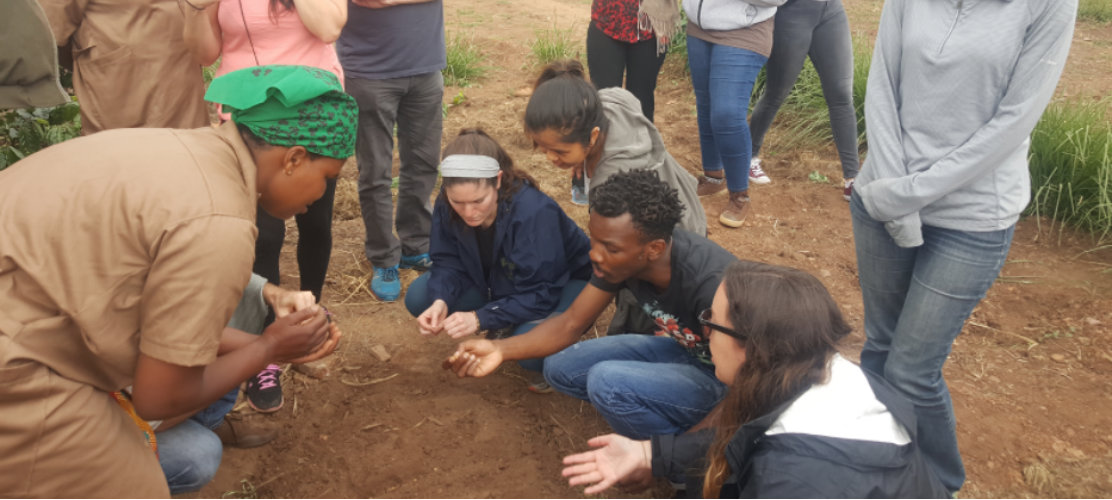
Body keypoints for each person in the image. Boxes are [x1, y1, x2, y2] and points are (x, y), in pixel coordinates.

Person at [0, 65, 352, 497]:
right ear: (294, 158)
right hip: (19, 361)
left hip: (28, 311)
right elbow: (159, 397)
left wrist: (283, 344)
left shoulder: (181, 147)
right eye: (328, 179)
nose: (321, 197)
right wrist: (269, 348)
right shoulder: (219, 222)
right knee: (137, 488)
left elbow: (152, 318)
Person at [851, 0, 1076, 494]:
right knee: (879, 346)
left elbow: (1014, 121)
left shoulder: (1050, 5)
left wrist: (908, 195)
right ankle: (882, 467)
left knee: (911, 370)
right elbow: (883, 88)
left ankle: (940, 482)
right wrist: (895, 192)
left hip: (972, 216)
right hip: (884, 196)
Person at [559, 261, 949, 498]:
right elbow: (751, 434)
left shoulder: (790, 480)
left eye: (712, 322)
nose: (704, 332)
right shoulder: (828, 376)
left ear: (753, 347)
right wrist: (651, 454)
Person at [444, 169, 736, 439]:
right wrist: (498, 349)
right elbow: (571, 323)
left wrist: (673, 454)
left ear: (654, 249)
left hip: (730, 383)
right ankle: (662, 414)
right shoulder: (622, 258)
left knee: (606, 382)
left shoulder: (714, 288)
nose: (594, 254)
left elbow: (757, 390)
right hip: (689, 352)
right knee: (561, 367)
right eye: (594, 240)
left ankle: (687, 469)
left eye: (609, 247)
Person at [181, 0, 348, 414]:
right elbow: (203, 53)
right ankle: (263, 352)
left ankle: (308, 322)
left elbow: (328, 27)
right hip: (248, 114)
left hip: (313, 113)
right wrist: (198, 8)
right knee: (264, 235)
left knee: (316, 224)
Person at [526, 60, 706, 336]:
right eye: (545, 149)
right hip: (686, 205)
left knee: (642, 304)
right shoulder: (607, 102)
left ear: (593, 135)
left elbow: (620, 251)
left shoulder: (612, 187)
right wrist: (585, 155)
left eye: (560, 151)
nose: (551, 158)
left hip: (669, 243)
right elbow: (629, 98)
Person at [405, 129, 592, 376]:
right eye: (458, 202)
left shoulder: (533, 212)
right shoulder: (446, 202)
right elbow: (447, 260)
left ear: (499, 180)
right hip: (501, 279)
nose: (468, 212)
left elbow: (542, 291)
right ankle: (509, 318)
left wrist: (481, 317)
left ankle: (532, 339)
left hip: (563, 284)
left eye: (478, 201)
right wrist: (442, 300)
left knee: (533, 353)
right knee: (421, 296)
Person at [158, 274, 337, 494]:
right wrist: (264, 352)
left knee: (234, 296)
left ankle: (208, 420)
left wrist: (274, 294)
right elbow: (151, 414)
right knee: (198, 456)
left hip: (152, 361)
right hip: (119, 416)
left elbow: (189, 324)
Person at [338, 0, 446, 302]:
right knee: (375, 172)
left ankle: (416, 244)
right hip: (369, 70)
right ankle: (384, 258)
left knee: (424, 164)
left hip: (425, 64)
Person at [684, 0, 785, 228]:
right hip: (699, 26)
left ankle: (739, 195)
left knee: (727, 113)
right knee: (706, 105)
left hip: (745, 30)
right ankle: (713, 177)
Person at [40, 0, 208, 134]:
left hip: (185, 89)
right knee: (124, 165)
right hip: (121, 93)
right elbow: (46, 33)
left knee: (187, 161)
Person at [746, 0, 859, 199]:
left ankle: (853, 178)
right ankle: (749, 156)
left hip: (830, 10)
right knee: (776, 92)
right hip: (792, 12)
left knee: (841, 94)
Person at [586, 0, 680, 123]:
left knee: (642, 102)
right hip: (606, 23)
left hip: (651, 28)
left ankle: (641, 141)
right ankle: (606, 141)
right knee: (606, 101)